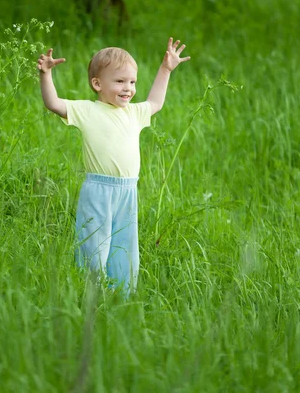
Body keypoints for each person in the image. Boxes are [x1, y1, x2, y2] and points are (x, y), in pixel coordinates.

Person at [37, 38, 190, 296]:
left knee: (124, 245)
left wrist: (165, 70)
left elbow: (155, 103)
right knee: (94, 245)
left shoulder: (134, 113)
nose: (128, 88)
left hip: (128, 192)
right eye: (119, 81)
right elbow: (53, 104)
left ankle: (122, 294)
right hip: (98, 190)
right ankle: (91, 293)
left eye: (132, 82)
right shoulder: (86, 110)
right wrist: (46, 74)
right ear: (97, 84)